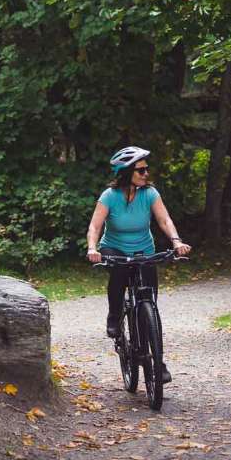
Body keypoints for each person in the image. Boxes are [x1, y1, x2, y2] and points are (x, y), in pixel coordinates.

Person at [86, 146, 191, 381]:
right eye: (140, 170)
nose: (146, 174)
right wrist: (93, 248)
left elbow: (164, 219)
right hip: (114, 248)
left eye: (146, 169)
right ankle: (114, 315)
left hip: (143, 249)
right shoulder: (109, 196)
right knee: (120, 273)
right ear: (126, 173)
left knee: (149, 304)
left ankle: (158, 362)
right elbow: (95, 226)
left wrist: (176, 242)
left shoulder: (150, 193)